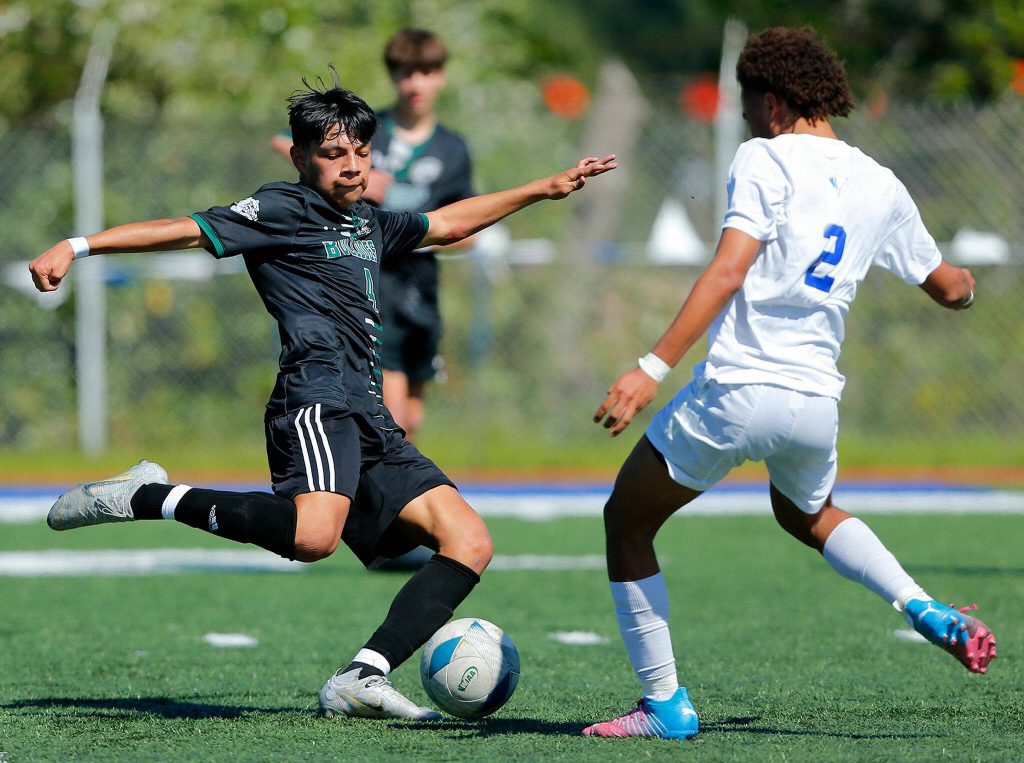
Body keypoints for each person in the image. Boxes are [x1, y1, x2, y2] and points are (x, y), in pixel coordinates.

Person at [30, 76, 615, 721]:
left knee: (469, 540)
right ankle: (144, 496)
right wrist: (79, 246)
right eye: (336, 154)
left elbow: (445, 223)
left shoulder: (368, 222)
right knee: (313, 540)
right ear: (301, 157)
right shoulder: (280, 209)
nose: (353, 165)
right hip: (315, 398)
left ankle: (363, 675)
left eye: (362, 151)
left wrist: (544, 187)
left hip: (369, 412)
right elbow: (185, 230)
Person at [584, 27, 995, 741]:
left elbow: (728, 269)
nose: (747, 123)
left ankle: (665, 704)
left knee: (627, 519)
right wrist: (967, 291)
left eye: (747, 111)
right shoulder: (880, 182)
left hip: (739, 388)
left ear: (771, 104)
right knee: (806, 512)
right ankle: (923, 603)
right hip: (814, 402)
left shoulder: (764, 157)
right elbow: (947, 285)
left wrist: (650, 367)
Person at [273, 29, 472, 443]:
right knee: (391, 418)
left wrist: (428, 219)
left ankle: (392, 498)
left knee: (409, 421)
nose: (415, 83)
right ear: (392, 75)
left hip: (420, 289)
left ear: (441, 77)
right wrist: (361, 184)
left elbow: (462, 226)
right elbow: (311, 169)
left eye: (426, 72)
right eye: (405, 72)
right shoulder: (365, 133)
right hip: (370, 283)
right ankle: (378, 501)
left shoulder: (453, 149)